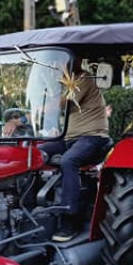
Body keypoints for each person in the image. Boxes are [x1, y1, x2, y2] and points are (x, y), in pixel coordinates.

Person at [39, 68, 111, 241]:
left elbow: (60, 104)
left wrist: (39, 105)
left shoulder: (82, 78)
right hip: (70, 139)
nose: (56, 66)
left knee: (69, 161)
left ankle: (70, 219)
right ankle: (33, 208)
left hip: (93, 136)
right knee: (35, 153)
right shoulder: (62, 82)